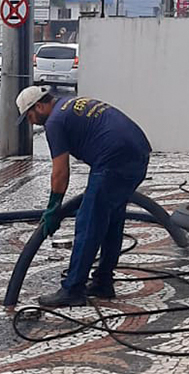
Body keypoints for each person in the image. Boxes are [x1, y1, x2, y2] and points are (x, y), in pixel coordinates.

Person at [15, 86, 151, 307]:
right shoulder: (68, 105)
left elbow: (60, 172)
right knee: (112, 219)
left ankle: (73, 289)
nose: (31, 122)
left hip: (113, 161)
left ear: (39, 106)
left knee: (88, 223)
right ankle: (103, 282)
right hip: (138, 154)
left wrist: (53, 208)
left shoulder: (54, 122)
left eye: (29, 116)